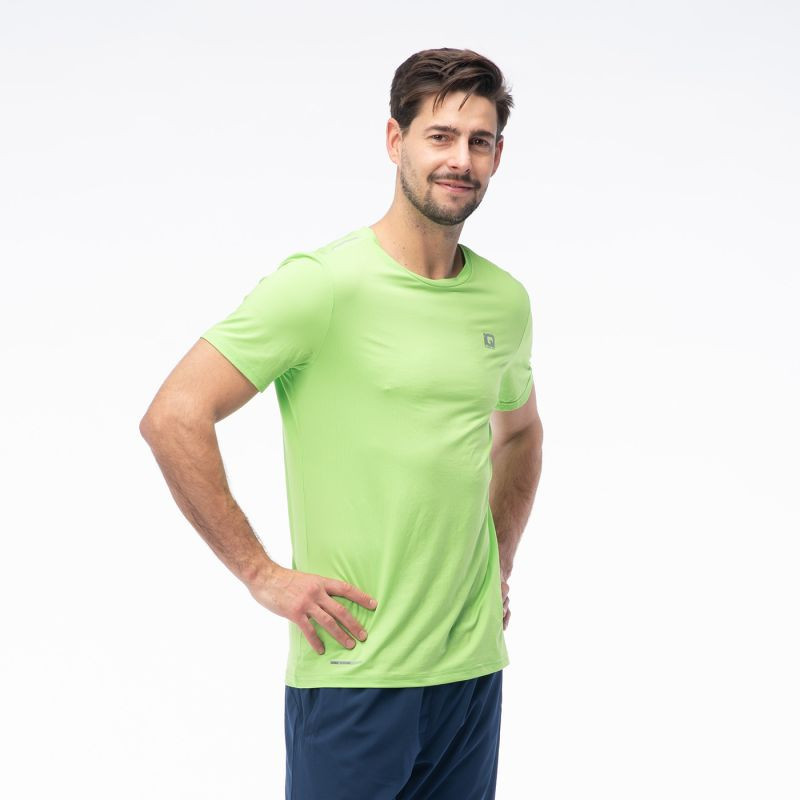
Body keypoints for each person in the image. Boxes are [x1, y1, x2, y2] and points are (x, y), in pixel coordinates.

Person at [139, 46, 543, 800]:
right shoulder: (322, 287)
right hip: (355, 673)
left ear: (498, 155)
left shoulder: (504, 301)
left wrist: (501, 562)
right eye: (440, 136)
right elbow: (175, 415)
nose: (460, 160)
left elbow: (519, 432)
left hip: (471, 674)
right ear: (395, 140)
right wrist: (261, 574)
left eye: (479, 141)